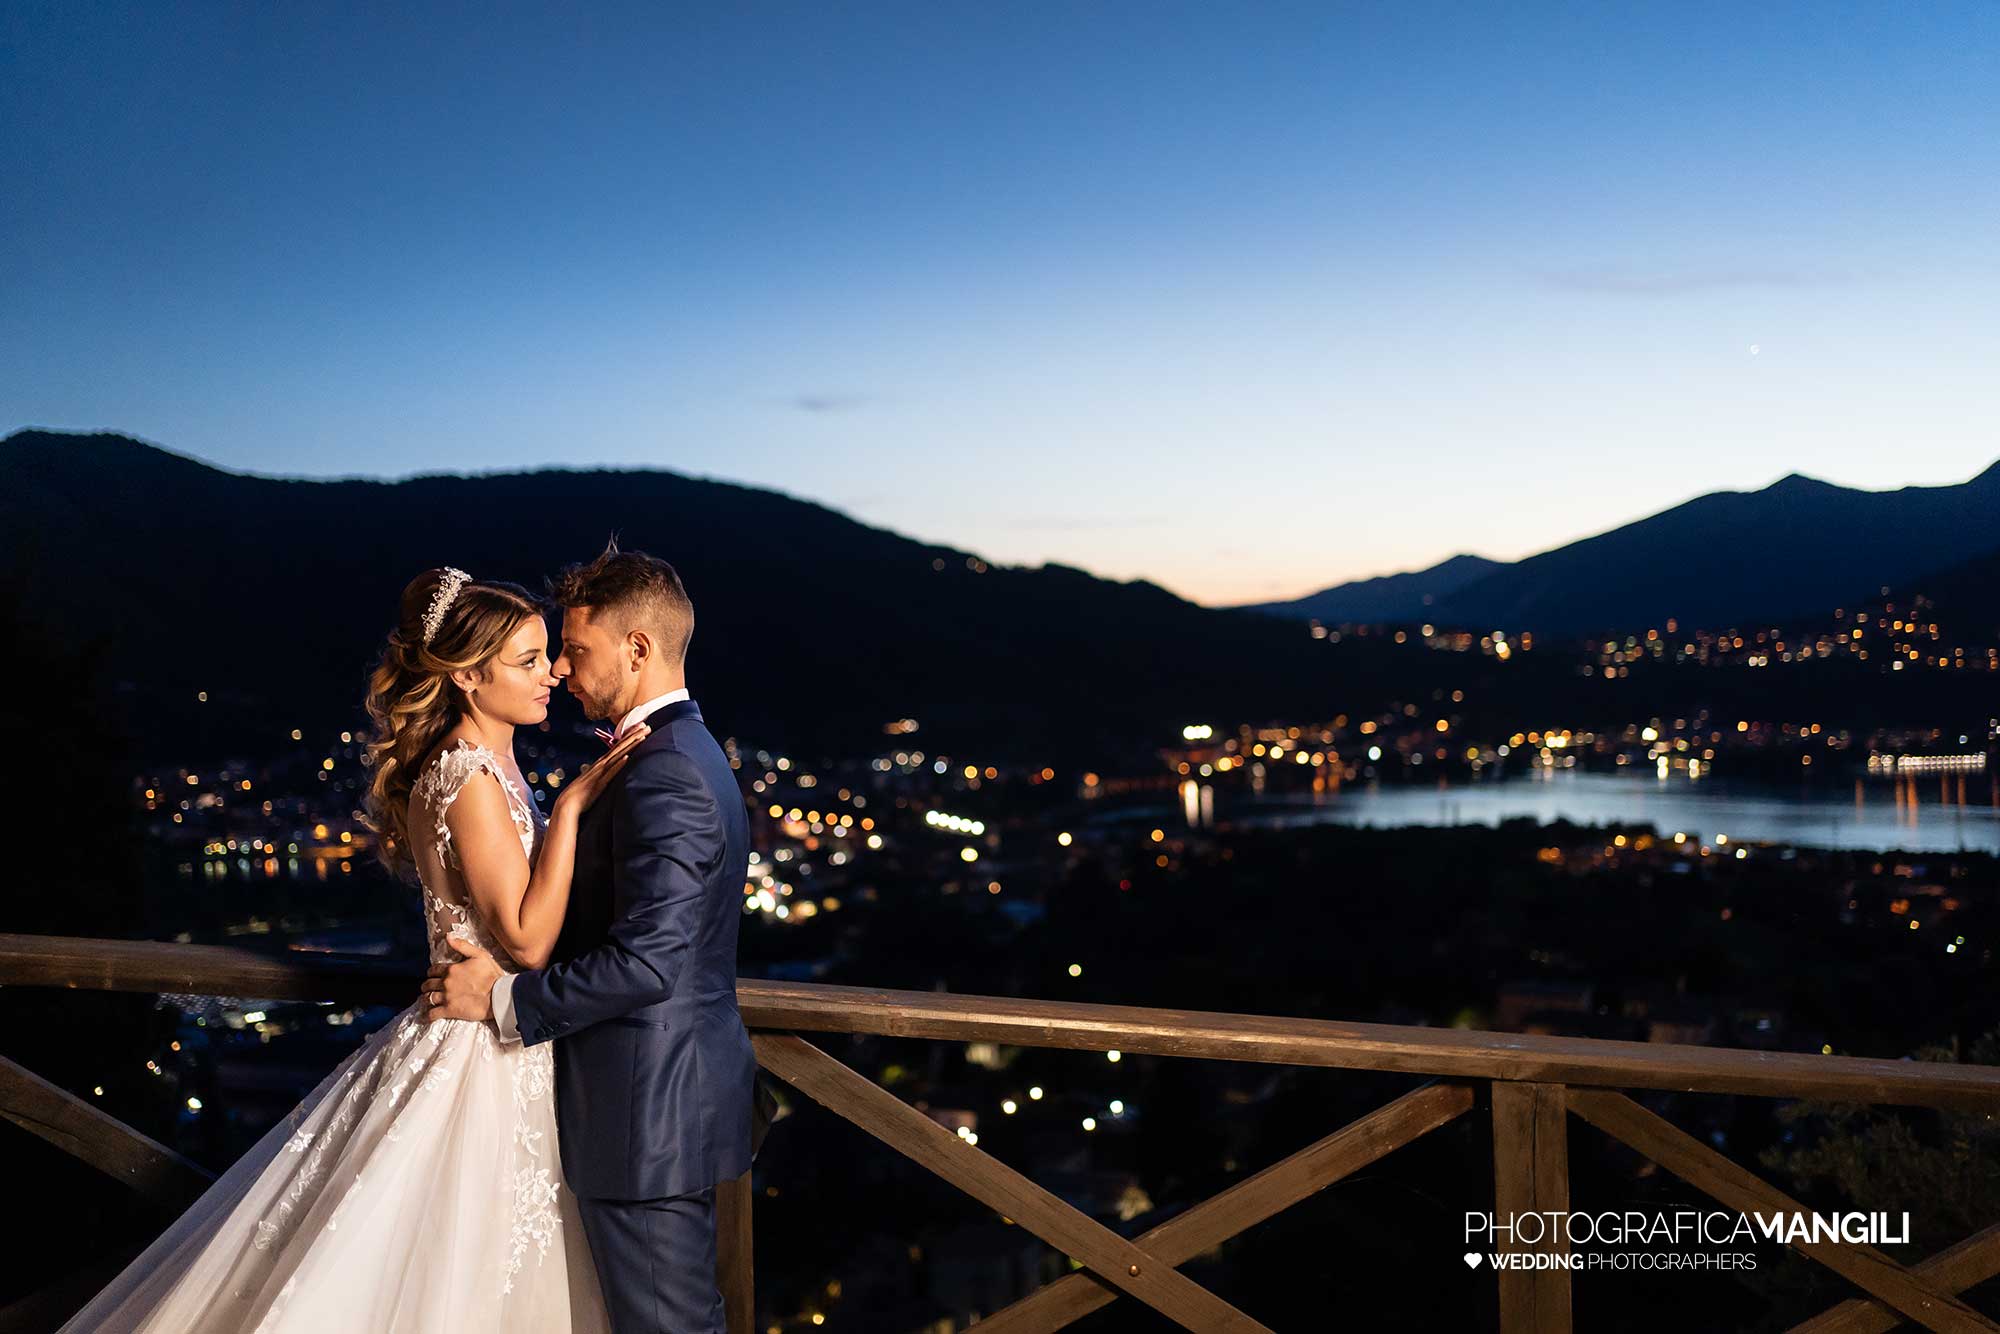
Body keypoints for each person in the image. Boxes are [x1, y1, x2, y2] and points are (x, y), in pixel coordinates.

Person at [61, 567, 646, 1332]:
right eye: (529, 660)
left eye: (547, 656)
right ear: (469, 676)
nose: (552, 674)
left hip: (500, 1033)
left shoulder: (495, 762)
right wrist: (570, 810)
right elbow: (530, 942)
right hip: (480, 1051)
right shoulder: (467, 776)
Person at [425, 540, 757, 1334]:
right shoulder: (679, 752)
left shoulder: (666, 770)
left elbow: (646, 961)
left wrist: (502, 998)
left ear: (637, 649)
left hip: (646, 1110)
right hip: (655, 1098)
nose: (564, 671)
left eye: (575, 650)